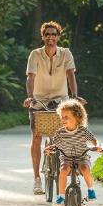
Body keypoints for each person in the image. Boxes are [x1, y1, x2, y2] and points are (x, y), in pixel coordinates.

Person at [22, 20, 80, 194]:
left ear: (58, 37)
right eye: (47, 34)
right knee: (37, 137)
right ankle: (37, 179)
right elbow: (30, 77)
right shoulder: (35, 55)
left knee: (65, 135)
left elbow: (70, 74)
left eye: (54, 34)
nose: (50, 37)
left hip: (60, 99)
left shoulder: (66, 54)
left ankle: (66, 170)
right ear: (43, 37)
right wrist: (30, 97)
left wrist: (75, 96)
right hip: (39, 100)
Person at [46, 99, 102, 206]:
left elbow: (94, 141)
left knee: (85, 169)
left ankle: (91, 190)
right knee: (62, 171)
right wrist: (50, 149)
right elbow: (55, 145)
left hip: (82, 157)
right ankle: (61, 196)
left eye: (66, 117)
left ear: (77, 117)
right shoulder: (60, 133)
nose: (63, 119)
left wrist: (98, 146)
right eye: (62, 117)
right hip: (66, 158)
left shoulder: (83, 131)